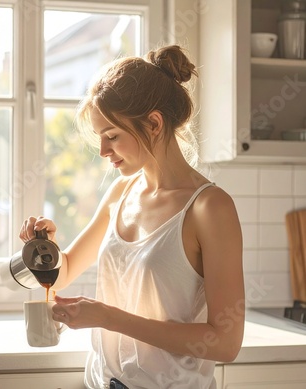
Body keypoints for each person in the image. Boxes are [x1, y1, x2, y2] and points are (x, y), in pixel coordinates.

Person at [19, 45, 244, 389]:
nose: (103, 151)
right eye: (100, 138)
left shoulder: (210, 209)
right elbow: (63, 272)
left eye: (112, 136)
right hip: (100, 382)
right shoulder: (121, 193)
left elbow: (226, 343)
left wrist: (108, 317)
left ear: (153, 123)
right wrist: (43, 249)